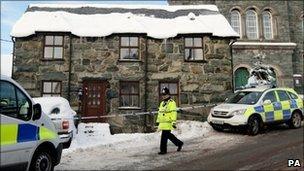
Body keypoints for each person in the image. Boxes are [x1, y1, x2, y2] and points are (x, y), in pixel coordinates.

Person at [156, 87, 183, 155]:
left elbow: (174, 113)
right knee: (168, 136)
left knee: (164, 137)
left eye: (165, 94)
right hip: (163, 122)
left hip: (168, 122)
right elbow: (160, 112)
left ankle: (163, 150)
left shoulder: (172, 103)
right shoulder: (162, 103)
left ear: (168, 95)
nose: (163, 96)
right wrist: (158, 121)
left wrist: (173, 122)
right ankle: (179, 143)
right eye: (163, 95)